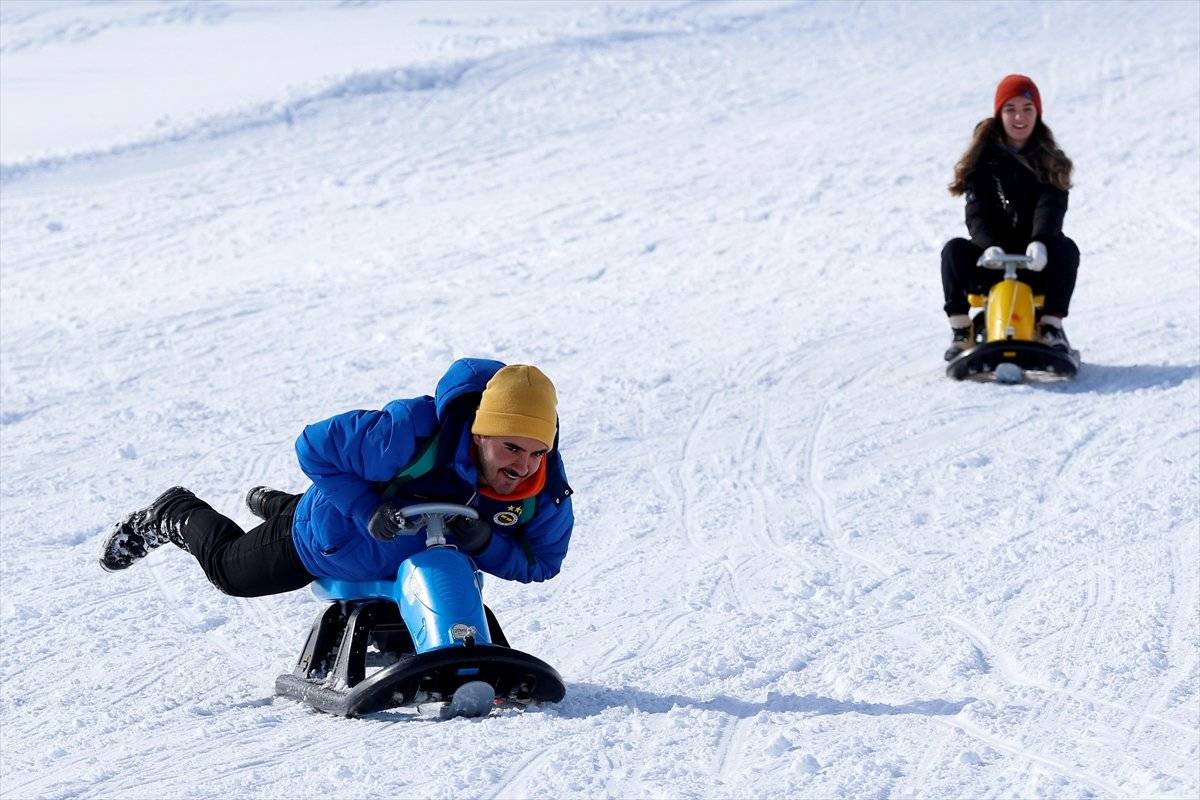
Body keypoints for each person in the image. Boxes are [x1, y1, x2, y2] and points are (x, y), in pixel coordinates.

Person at [99, 359, 574, 595]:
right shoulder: (409, 435)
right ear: (478, 432)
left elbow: (542, 563)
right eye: (511, 448)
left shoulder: (543, 492)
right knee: (231, 573)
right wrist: (367, 510)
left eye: (538, 452)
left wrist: (485, 543)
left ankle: (278, 504)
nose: (523, 467)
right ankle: (174, 512)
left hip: (416, 576)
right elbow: (314, 447)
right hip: (329, 540)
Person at [941, 74, 1079, 361]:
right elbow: (977, 213)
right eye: (1010, 109)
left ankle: (1051, 326)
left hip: (1035, 262)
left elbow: (1051, 205)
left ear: (1037, 114)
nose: (1019, 117)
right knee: (953, 251)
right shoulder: (982, 162)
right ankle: (962, 330)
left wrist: (1041, 241)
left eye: (1027, 109)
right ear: (999, 114)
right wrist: (988, 246)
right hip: (990, 262)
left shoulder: (1051, 161)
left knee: (1067, 249)